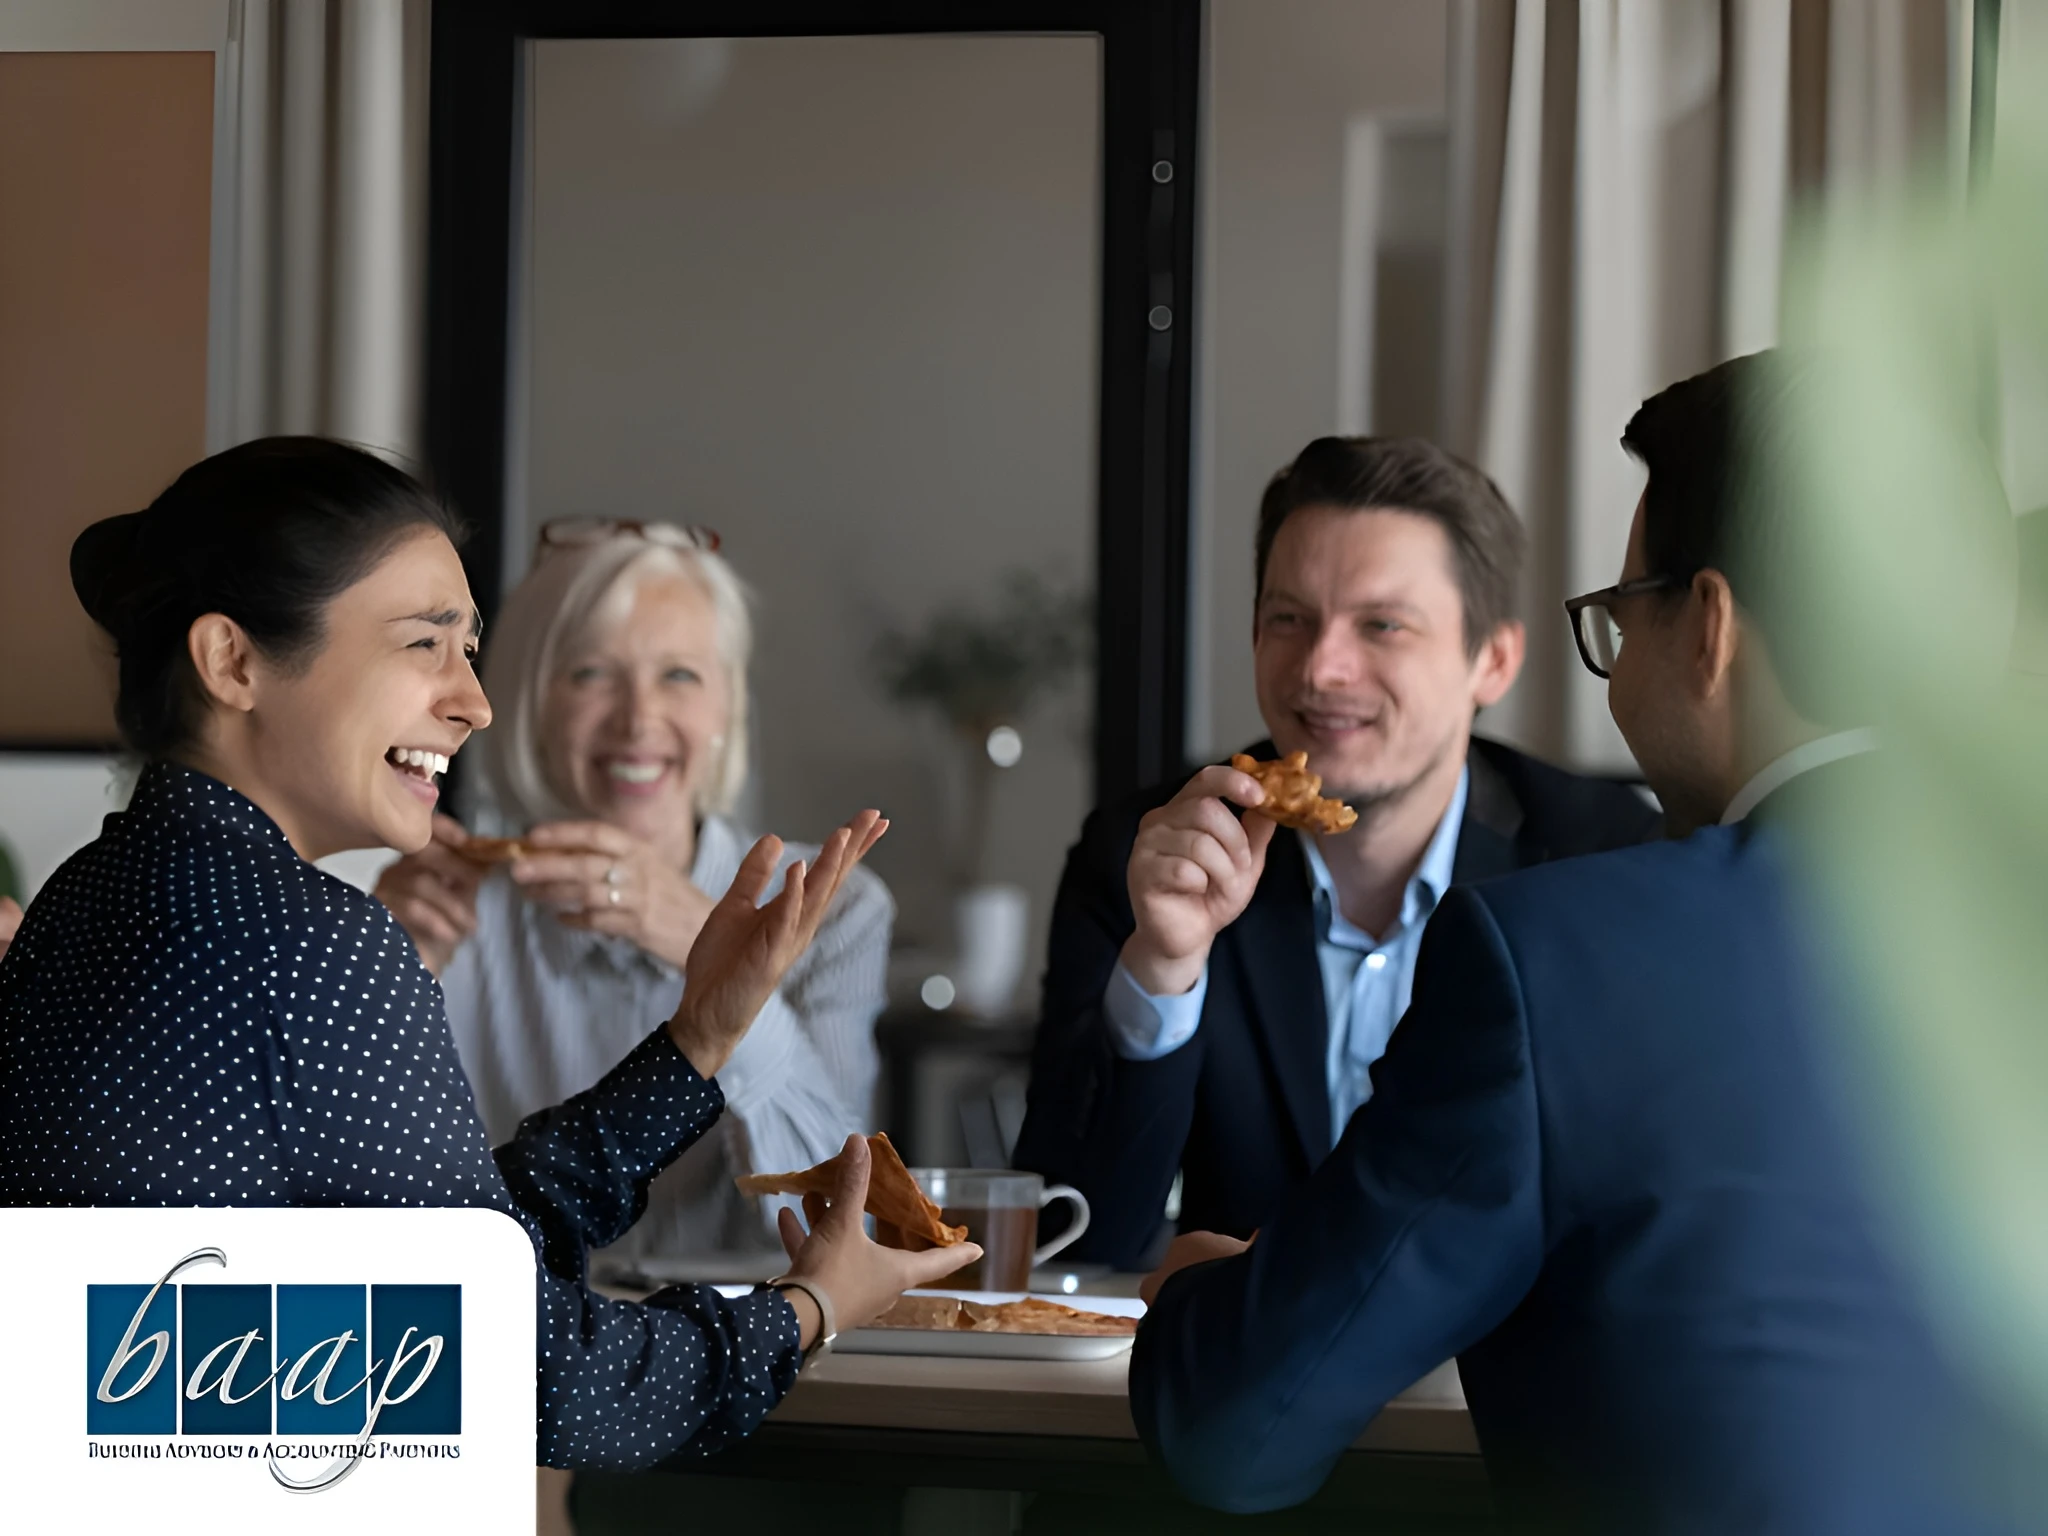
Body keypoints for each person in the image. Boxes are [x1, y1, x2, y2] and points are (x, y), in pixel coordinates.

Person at [1128, 354, 2008, 1532]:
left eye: (1620, 617)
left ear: (1706, 626)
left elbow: (1238, 1435)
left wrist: (1200, 1295)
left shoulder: (1556, 955)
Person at [0, 438, 978, 1469]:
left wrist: (696, 1041)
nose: (473, 701)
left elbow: (455, 1266)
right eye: (425, 643)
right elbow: (544, 1380)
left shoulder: (89, 895)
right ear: (233, 663)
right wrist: (811, 1306)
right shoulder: (312, 946)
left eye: (468, 649)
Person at [1014, 437, 1661, 1267]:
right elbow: (1067, 1242)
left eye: (1382, 625)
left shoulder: (1602, 864)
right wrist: (1164, 967)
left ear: (1493, 661)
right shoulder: (1149, 854)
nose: (1321, 668)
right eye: (1289, 619)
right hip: (1231, 1350)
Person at [374, 518, 890, 1256]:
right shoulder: (444, 908)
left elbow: (842, 1234)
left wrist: (707, 950)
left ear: (726, 705)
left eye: (680, 675)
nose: (639, 719)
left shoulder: (833, 907)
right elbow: (375, 1221)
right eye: (591, 674)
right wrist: (380, 981)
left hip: (766, 1327)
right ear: (529, 704)